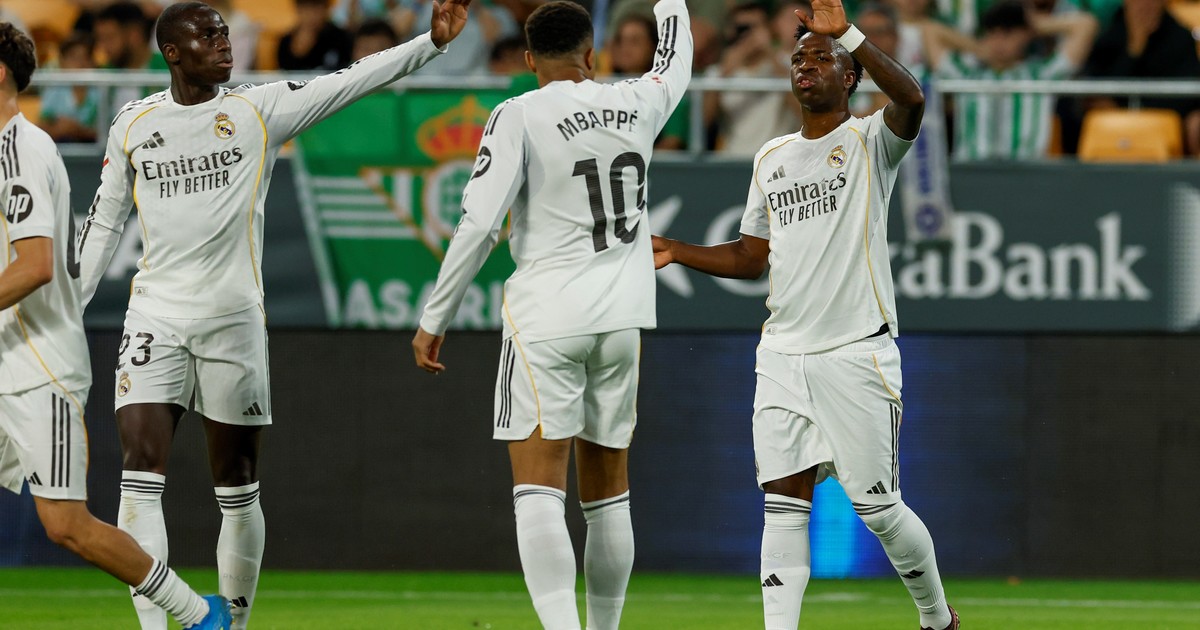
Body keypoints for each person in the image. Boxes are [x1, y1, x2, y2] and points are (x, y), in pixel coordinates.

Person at [76, 1, 471, 628]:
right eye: (207, 36)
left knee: (236, 485)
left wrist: (431, 42)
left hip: (233, 321)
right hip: (155, 316)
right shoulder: (133, 123)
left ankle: (233, 623)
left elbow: (350, 81)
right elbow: (102, 224)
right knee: (139, 473)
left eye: (224, 33)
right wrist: (68, 310)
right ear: (172, 52)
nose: (224, 43)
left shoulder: (258, 110)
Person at [651, 0, 959, 628]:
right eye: (799, 57)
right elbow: (751, 256)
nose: (806, 64)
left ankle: (936, 618)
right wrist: (679, 250)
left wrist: (848, 32)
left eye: (822, 57)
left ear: (850, 77)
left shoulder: (870, 140)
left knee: (878, 510)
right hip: (783, 353)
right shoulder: (772, 157)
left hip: (856, 349)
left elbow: (913, 98)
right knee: (782, 505)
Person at [413, 1, 691, 628]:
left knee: (539, 489)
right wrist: (671, 5)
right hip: (622, 320)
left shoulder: (519, 113)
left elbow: (480, 224)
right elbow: (676, 62)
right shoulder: (638, 101)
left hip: (547, 319)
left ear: (529, 59)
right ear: (592, 54)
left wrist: (435, 317)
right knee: (609, 492)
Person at [0, 22, 231, 630]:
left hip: (36, 369)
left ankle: (199, 614)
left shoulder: (20, 149)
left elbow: (35, 265)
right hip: (6, 360)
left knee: (66, 525)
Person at [924, 0, 1098, 160]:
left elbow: (1086, 25)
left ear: (1025, 35)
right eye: (992, 33)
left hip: (1026, 175)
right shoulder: (965, 76)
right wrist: (977, 48)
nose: (998, 41)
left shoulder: (1042, 75)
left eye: (1008, 33)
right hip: (973, 173)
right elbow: (930, 31)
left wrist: (1033, 25)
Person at [1082, 0, 1200, 154]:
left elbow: (1186, 95)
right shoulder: (1109, 33)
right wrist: (1134, 50)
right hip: (1113, 121)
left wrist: (1138, 109)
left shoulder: (1180, 37)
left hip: (1167, 119)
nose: (1144, 5)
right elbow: (1095, 87)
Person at [703, 2, 796, 155]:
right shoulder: (718, 72)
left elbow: (803, 112)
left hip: (777, 159)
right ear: (730, 31)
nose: (749, 35)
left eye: (755, 28)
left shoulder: (787, 66)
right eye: (743, 28)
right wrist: (725, 71)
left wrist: (770, 53)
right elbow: (703, 122)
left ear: (769, 30)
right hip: (733, 159)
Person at [607, 13, 690, 150]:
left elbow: (672, 143)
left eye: (635, 41)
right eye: (621, 41)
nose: (626, 48)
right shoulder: (603, 90)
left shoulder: (668, 91)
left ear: (653, 47)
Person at [38, 34, 102, 143]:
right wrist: (60, 130)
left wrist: (78, 131)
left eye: (86, 57)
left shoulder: (101, 91)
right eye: (74, 58)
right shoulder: (55, 89)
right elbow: (41, 126)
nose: (81, 64)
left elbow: (107, 132)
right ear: (62, 63)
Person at [277, 0, 353, 70]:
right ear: (298, 9)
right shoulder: (286, 41)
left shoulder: (340, 37)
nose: (311, 15)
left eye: (316, 8)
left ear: (326, 9)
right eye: (306, 8)